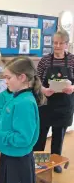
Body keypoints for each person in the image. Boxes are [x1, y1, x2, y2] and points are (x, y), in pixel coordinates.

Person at [33, 30, 74, 173]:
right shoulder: (45, 60)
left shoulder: (72, 60)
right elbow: (36, 80)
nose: (57, 46)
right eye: (55, 43)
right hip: (45, 103)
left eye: (60, 43)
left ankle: (54, 163)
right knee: (41, 136)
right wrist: (43, 90)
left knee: (58, 137)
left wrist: (72, 88)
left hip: (64, 104)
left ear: (66, 44)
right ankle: (39, 163)